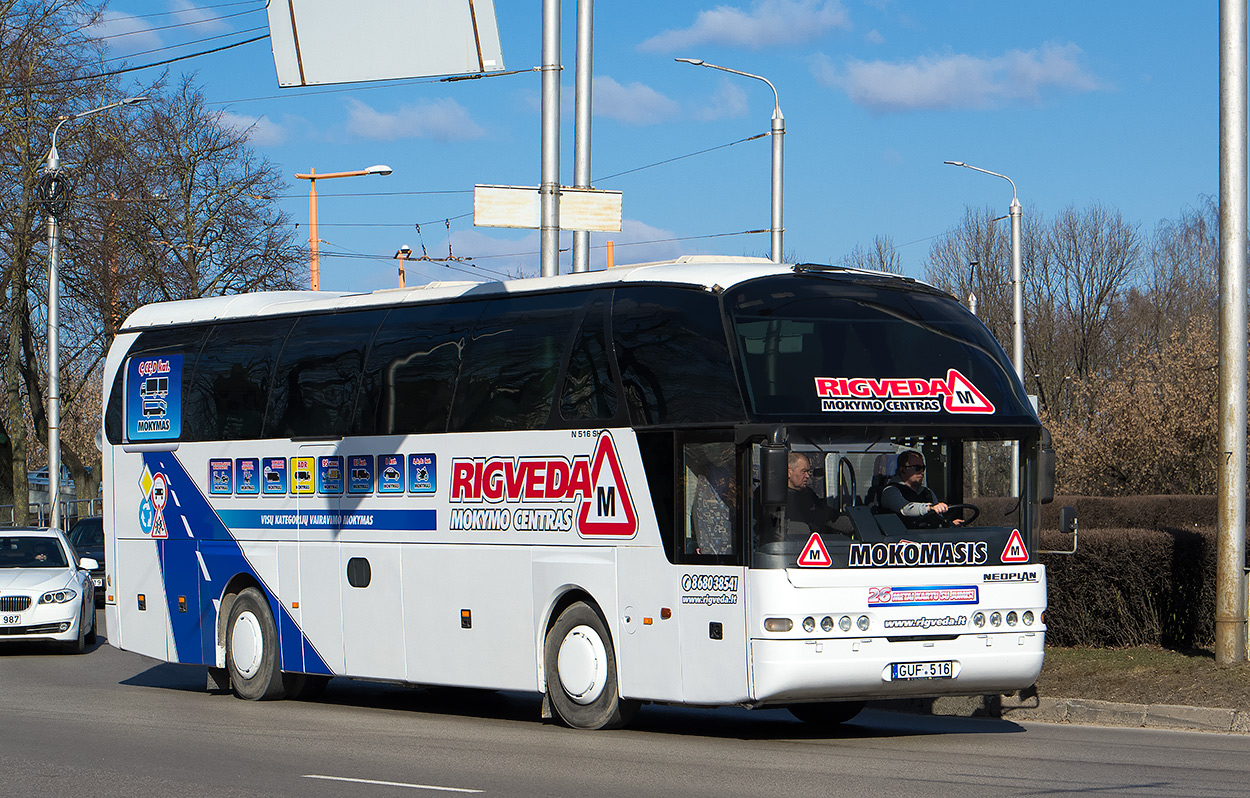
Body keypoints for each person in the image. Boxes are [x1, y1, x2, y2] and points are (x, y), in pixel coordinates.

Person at [879, 450, 963, 527]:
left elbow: (939, 519)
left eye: (923, 468)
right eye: (917, 468)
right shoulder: (890, 491)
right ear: (903, 470)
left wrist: (949, 524)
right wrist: (929, 508)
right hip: (900, 540)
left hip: (930, 539)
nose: (921, 472)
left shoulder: (928, 492)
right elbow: (905, 509)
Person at [785, 452, 836, 533]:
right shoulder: (772, 495)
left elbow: (828, 516)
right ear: (789, 472)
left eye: (808, 472)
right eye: (803, 471)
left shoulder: (808, 494)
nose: (807, 476)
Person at [691, 465, 735, 555]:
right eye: (726, 480)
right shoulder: (705, 502)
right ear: (718, 481)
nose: (730, 485)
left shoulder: (728, 500)